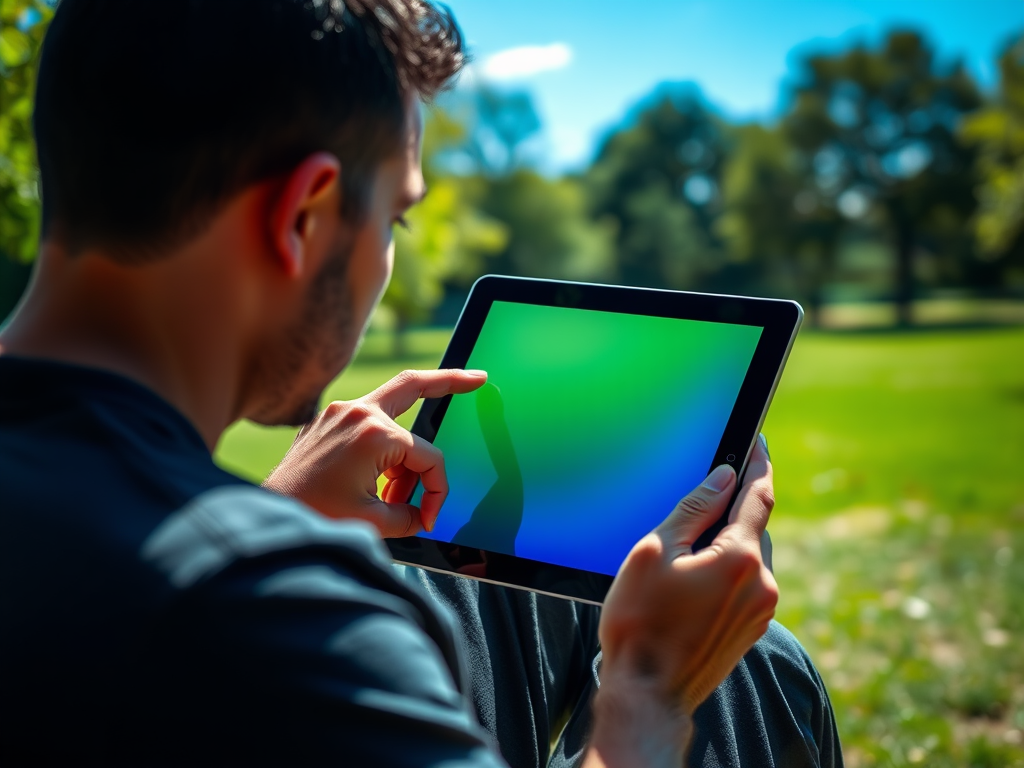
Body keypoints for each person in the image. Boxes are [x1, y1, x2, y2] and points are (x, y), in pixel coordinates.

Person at [0, 0, 841, 765]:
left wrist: (278, 515)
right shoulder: (262, 615)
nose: (391, 247)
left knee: (480, 575)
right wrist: (648, 693)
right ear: (303, 216)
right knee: (753, 669)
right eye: (397, 215)